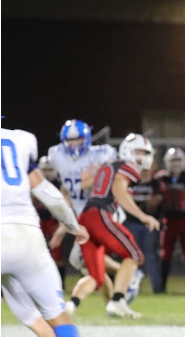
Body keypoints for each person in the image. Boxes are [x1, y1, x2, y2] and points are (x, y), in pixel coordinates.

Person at [2, 125, 108, 337]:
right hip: (27, 236)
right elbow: (48, 193)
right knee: (54, 315)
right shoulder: (20, 139)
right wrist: (72, 224)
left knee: (31, 317)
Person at [66, 134, 162, 319]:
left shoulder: (108, 165)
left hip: (85, 217)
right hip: (100, 214)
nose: (141, 157)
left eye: (144, 153)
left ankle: (71, 304)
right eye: (138, 152)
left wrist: (86, 178)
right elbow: (118, 190)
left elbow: (85, 183)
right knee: (134, 255)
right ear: (127, 151)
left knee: (96, 276)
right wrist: (143, 216)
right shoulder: (128, 167)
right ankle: (118, 301)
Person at [48, 119, 121, 285]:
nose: (74, 144)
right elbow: (66, 190)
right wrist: (62, 226)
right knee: (81, 262)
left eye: (78, 139)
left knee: (82, 257)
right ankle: (115, 297)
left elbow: (114, 179)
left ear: (87, 138)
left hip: (102, 211)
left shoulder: (102, 154)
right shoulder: (57, 156)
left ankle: (127, 276)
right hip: (83, 216)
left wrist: (93, 178)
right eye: (70, 140)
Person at [156, 147, 185, 292]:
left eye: (178, 160)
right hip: (168, 221)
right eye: (172, 160)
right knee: (165, 254)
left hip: (184, 221)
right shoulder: (161, 178)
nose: (175, 164)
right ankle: (162, 286)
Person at [124, 160, 165, 294]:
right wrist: (143, 201)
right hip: (131, 223)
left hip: (149, 225)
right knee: (132, 256)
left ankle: (157, 288)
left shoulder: (157, 184)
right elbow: (125, 199)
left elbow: (155, 201)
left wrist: (137, 202)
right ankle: (132, 288)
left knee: (151, 256)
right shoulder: (132, 181)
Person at [34, 156, 66, 281]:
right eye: (45, 169)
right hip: (39, 220)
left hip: (53, 220)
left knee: (56, 252)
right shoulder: (34, 181)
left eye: (49, 169)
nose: (47, 172)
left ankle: (61, 283)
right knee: (36, 251)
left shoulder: (58, 183)